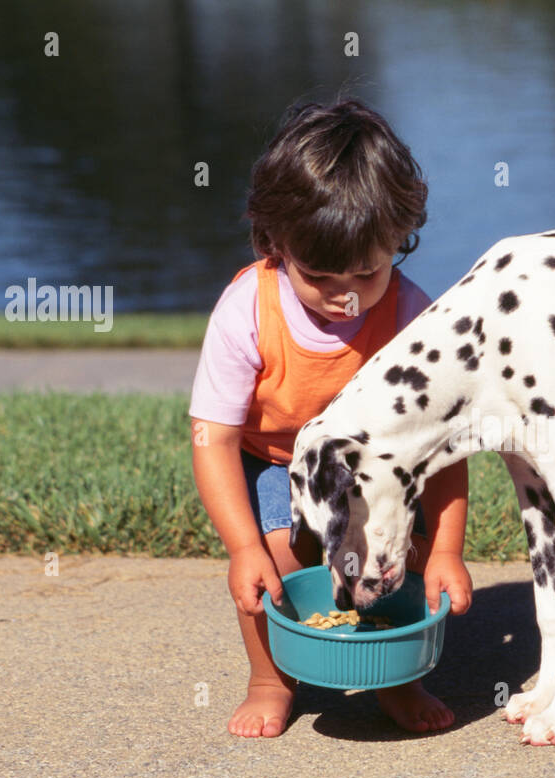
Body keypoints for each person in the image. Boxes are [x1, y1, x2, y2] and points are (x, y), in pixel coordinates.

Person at [189, 100, 472, 738]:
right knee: (278, 566)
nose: (345, 295)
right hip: (275, 461)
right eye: (318, 276)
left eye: (367, 273)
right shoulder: (246, 312)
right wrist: (241, 548)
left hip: (376, 467)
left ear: (399, 239)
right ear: (273, 243)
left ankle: (399, 682)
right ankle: (269, 679)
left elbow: (445, 445)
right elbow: (214, 438)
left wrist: (448, 550)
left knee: (400, 558)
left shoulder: (409, 318)